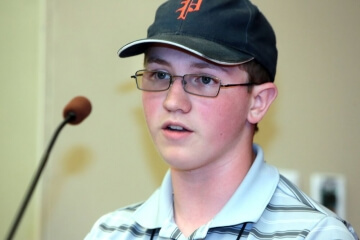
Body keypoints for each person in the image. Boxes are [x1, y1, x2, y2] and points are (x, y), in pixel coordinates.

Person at [85, 0, 359, 239]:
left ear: (258, 102)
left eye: (204, 79)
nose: (172, 102)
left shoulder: (314, 233)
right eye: (159, 75)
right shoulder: (110, 232)